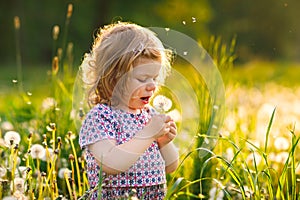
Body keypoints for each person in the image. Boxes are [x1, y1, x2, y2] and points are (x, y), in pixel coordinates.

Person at [79, 21, 179, 199]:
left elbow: (170, 167)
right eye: (142, 79)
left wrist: (164, 142)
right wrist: (148, 135)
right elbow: (110, 163)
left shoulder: (150, 116)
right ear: (113, 77)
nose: (152, 86)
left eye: (154, 78)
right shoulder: (101, 118)